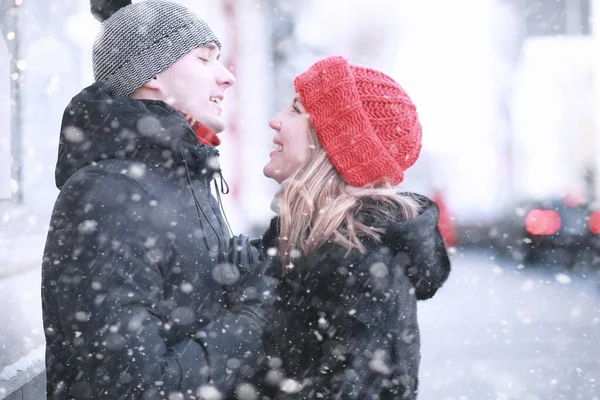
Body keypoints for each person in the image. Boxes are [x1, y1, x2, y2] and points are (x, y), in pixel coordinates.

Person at [42, 1, 267, 398]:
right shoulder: (108, 194)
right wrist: (250, 323)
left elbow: (213, 279)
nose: (226, 76)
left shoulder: (181, 173)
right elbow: (137, 386)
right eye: (205, 59)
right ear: (154, 74)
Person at [246, 56, 452, 399]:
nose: (275, 120)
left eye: (296, 110)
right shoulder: (308, 240)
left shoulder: (357, 260)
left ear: (333, 143)